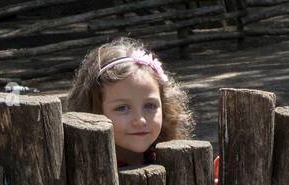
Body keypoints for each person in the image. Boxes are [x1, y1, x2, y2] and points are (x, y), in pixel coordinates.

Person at [65, 37, 193, 167]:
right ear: (92, 112)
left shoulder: (171, 160)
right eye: (122, 108)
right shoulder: (86, 171)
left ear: (164, 106)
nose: (140, 120)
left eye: (150, 105)